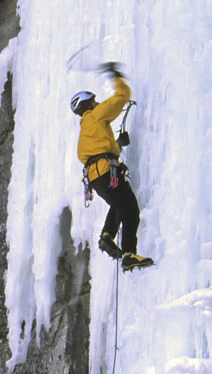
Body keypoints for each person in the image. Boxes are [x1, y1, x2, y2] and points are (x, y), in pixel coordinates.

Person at [70, 63, 153, 271]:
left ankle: (107, 236)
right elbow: (121, 96)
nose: (98, 103)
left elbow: (100, 149)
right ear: (88, 105)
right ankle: (128, 254)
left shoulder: (87, 129)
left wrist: (117, 146)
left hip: (96, 179)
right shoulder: (95, 116)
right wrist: (115, 75)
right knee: (130, 209)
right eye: (94, 101)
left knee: (118, 204)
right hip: (107, 171)